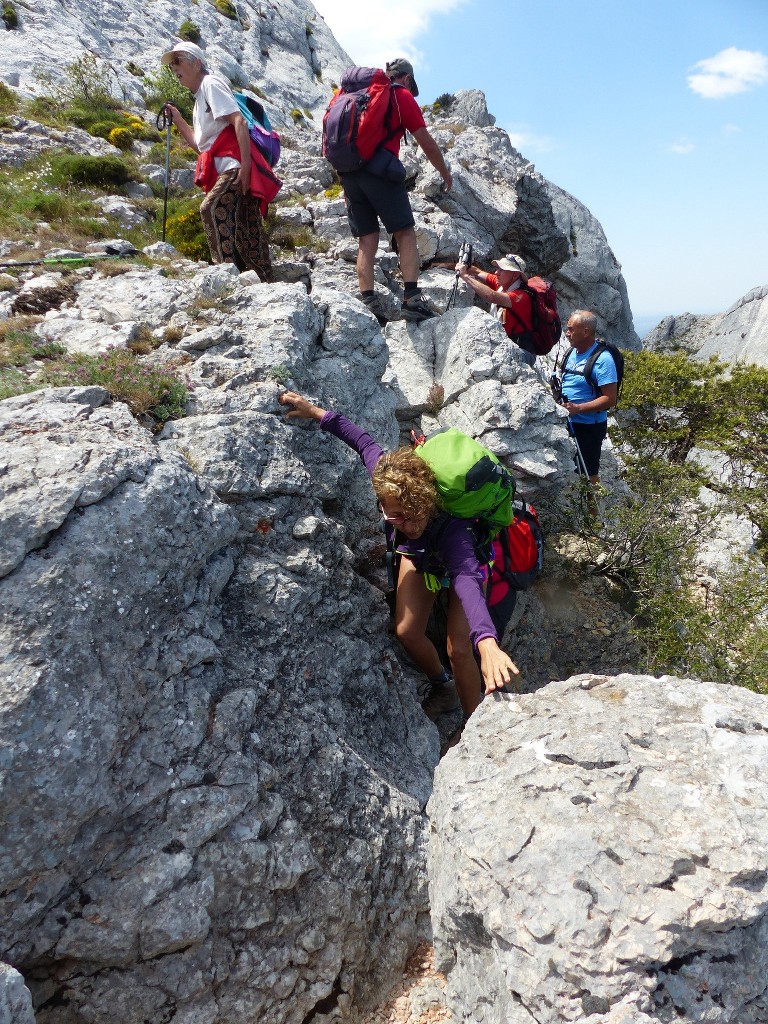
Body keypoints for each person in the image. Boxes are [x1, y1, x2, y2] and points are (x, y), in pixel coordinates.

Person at [278, 390, 520, 722]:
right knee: (406, 631)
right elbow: (362, 442)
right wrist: (315, 411)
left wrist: (488, 642)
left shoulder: (453, 532)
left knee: (460, 650)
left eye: (411, 515)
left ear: (426, 503)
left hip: (458, 562)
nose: (404, 524)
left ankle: (471, 723)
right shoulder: (388, 478)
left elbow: (466, 579)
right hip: (422, 559)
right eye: (393, 516)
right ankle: (443, 686)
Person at [340, 58, 453, 324]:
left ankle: (368, 300)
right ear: (405, 78)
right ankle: (412, 299)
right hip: (380, 171)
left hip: (350, 173)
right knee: (404, 232)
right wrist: (444, 172)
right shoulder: (399, 95)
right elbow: (425, 140)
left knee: (366, 240)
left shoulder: (356, 97)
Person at [160, 41, 279, 280]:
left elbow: (239, 122)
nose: (174, 68)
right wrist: (178, 118)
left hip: (235, 166)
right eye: (172, 64)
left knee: (211, 209)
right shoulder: (199, 97)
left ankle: (224, 274)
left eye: (178, 61)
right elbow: (201, 146)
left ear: (196, 62)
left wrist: (245, 168)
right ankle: (264, 278)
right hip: (232, 166)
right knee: (248, 226)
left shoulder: (211, 84)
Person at [560, 310, 618, 484]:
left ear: (585, 332)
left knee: (589, 474)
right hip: (568, 421)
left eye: (571, 329)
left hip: (589, 427)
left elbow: (610, 399)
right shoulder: (571, 352)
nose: (567, 333)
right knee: (574, 471)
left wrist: (577, 409)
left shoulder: (603, 360)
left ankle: (593, 510)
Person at [454, 253, 537, 365]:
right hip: (505, 345)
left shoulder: (521, 297)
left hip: (523, 353)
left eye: (502, 269)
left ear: (515, 275)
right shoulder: (503, 285)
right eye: (498, 268)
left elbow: (491, 296)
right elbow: (477, 271)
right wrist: (450, 266)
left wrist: (465, 276)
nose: (497, 273)